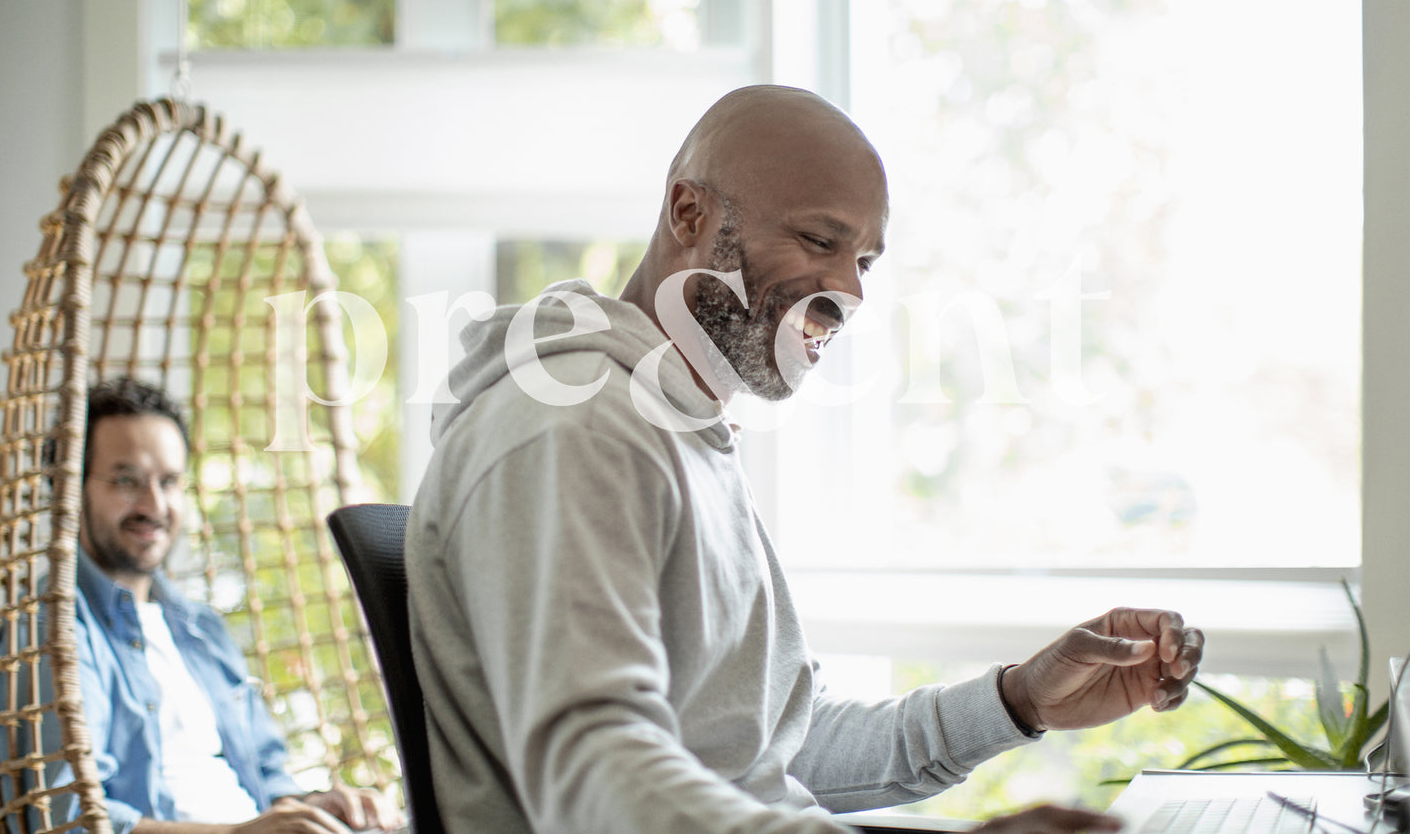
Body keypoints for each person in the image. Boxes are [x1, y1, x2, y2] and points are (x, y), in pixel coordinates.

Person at [405, 84, 1206, 833]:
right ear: (688, 212)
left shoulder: (676, 429)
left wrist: (1019, 700)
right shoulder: (572, 430)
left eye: (863, 261)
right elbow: (595, 775)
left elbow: (771, 748)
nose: (847, 291)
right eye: (819, 239)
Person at [60, 376, 405, 834]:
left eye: (169, 481)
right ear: (70, 489)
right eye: (127, 481)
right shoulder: (56, 631)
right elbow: (68, 819)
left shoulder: (199, 627)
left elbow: (266, 778)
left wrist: (318, 808)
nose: (154, 504)